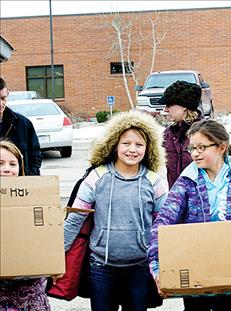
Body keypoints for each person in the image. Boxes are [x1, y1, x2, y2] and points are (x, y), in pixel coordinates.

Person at [148, 119, 231, 310]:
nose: (195, 153)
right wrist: (156, 267)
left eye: (202, 147)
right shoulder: (187, 181)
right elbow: (163, 222)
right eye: (192, 148)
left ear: (221, 147)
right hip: (195, 272)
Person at [61, 110, 168, 311]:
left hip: (139, 268)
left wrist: (164, 264)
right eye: (126, 143)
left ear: (149, 148)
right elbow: (75, 218)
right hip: (101, 268)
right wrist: (55, 256)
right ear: (114, 145)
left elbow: (163, 226)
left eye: (139, 144)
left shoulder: (154, 182)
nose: (132, 149)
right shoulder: (96, 177)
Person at [0, 140, 51, 310]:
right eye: (0, 163)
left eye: (12, 164)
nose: (7, 168)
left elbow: (48, 237)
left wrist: (53, 262)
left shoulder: (34, 199)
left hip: (30, 292)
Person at [160, 80, 203, 188]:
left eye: (169, 104)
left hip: (201, 200)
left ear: (184, 106)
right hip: (175, 199)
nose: (166, 109)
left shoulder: (206, 133)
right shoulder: (168, 135)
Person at [0, 77, 42, 175]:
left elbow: (35, 156)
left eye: (3, 98)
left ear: (8, 94)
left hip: (19, 187)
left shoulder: (23, 124)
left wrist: (29, 179)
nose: (0, 103)